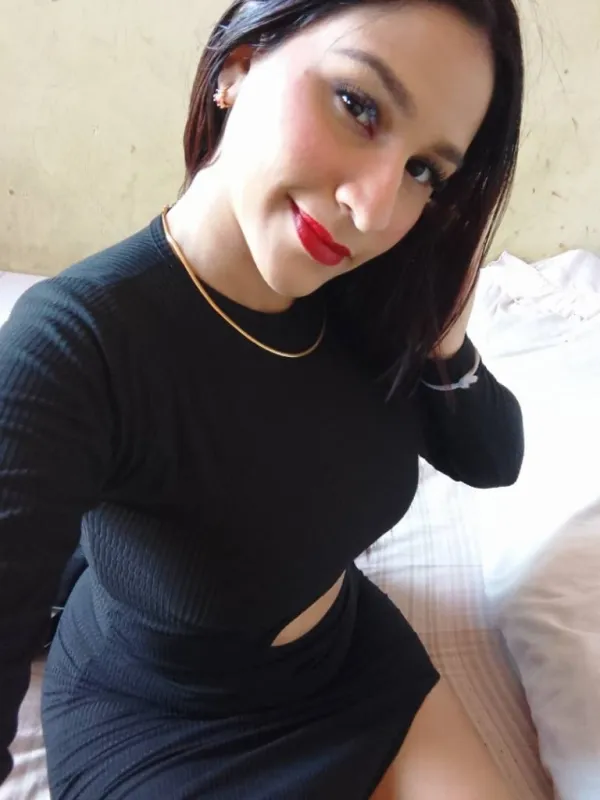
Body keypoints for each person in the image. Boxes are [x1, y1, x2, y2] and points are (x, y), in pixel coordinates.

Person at [0, 0, 525, 797]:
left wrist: (443, 336)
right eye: (358, 105)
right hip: (168, 726)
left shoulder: (361, 297)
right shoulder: (77, 341)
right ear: (237, 67)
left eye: (425, 169)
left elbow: (492, 460)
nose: (374, 207)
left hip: (347, 661)